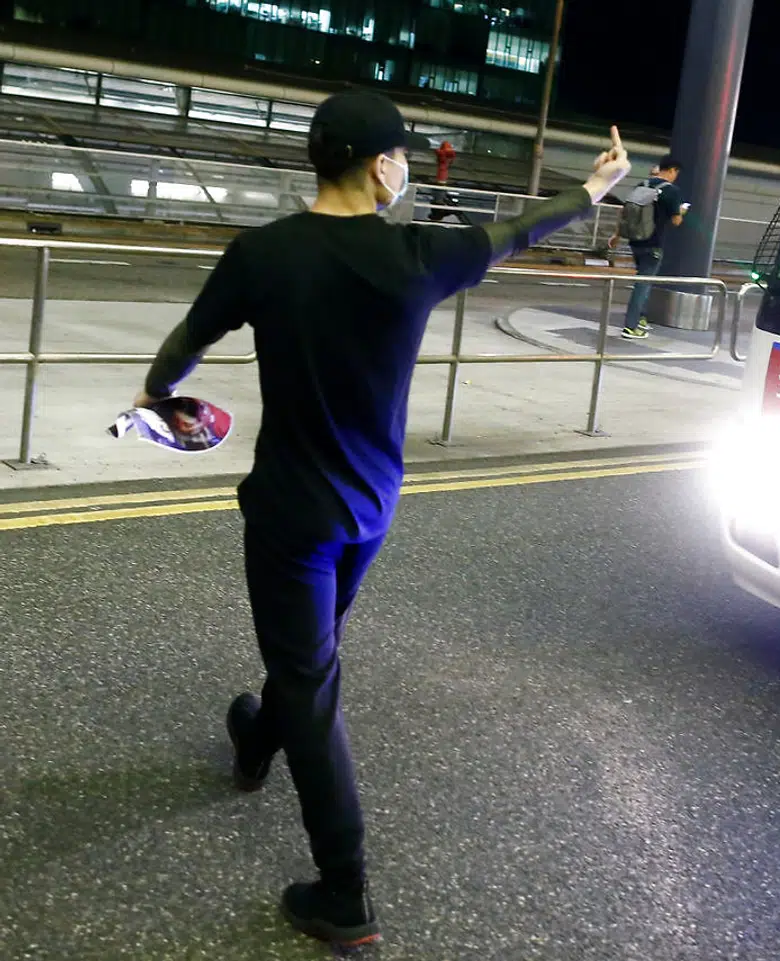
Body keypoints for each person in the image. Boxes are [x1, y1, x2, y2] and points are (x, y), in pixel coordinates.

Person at [133, 89, 631, 948]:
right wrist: (593, 189)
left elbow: (190, 338)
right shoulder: (419, 256)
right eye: (402, 156)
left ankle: (344, 890)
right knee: (308, 659)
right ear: (378, 166)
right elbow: (518, 232)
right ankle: (256, 741)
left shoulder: (262, 254)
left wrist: (156, 393)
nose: (405, 169)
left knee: (309, 677)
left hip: (292, 513)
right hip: (369, 507)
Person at [609, 156, 688, 339]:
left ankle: (642, 319)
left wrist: (616, 235)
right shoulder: (672, 191)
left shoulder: (642, 185)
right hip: (653, 244)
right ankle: (630, 326)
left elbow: (625, 211)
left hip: (635, 241)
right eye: (676, 172)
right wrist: (681, 211)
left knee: (643, 280)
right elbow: (676, 221)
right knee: (642, 285)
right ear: (672, 170)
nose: (675, 176)